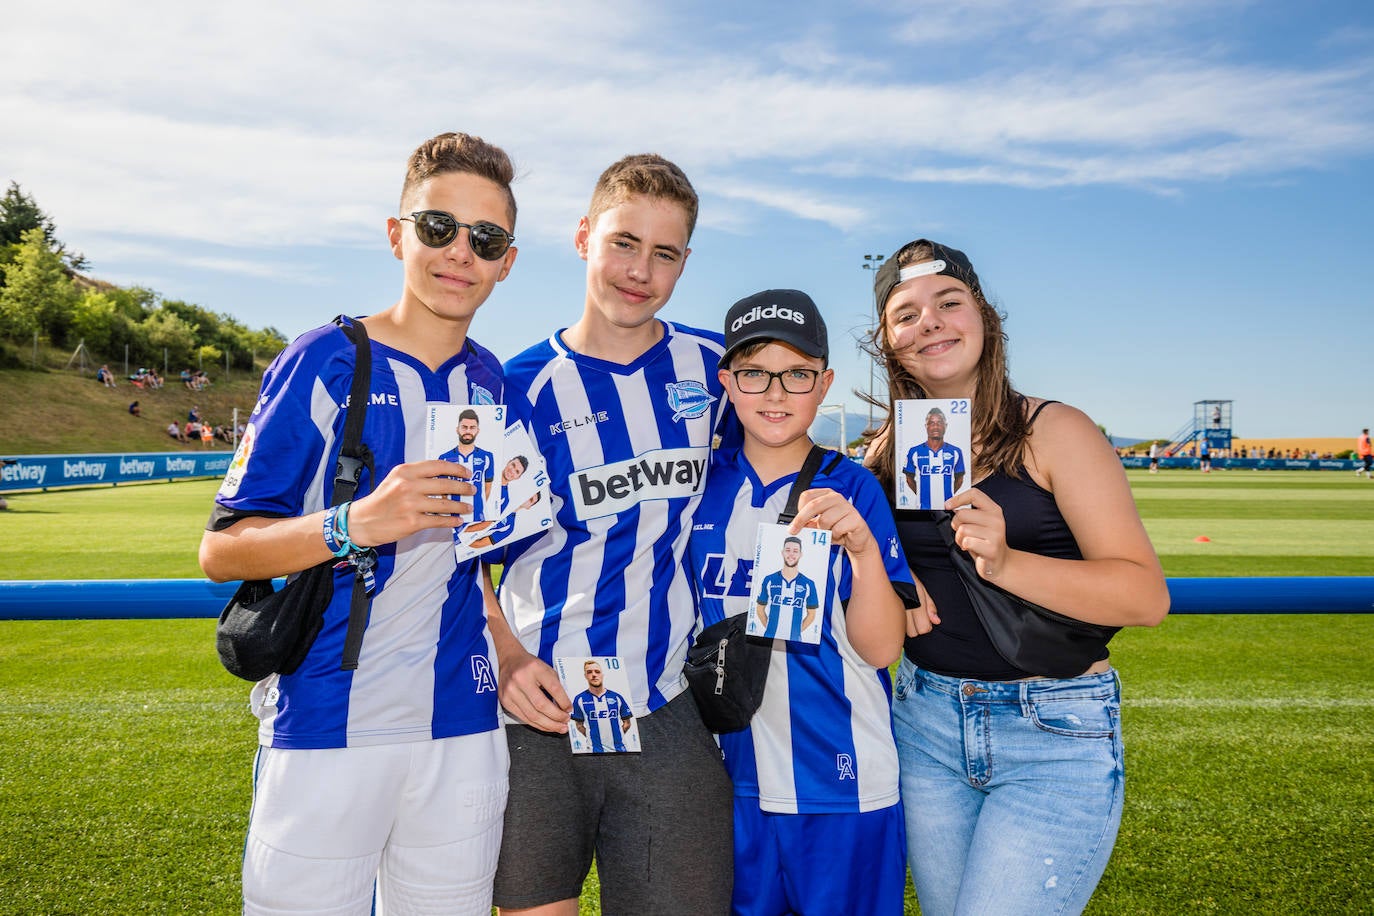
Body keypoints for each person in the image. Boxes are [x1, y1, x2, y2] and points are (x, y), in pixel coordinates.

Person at [197, 130, 520, 916]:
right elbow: (221, 551)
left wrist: (508, 650)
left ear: (506, 262)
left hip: (462, 725)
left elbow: (470, 559)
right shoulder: (325, 359)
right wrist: (355, 523)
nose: (460, 253)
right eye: (438, 227)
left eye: (485, 239)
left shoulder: (491, 380)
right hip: (325, 723)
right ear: (397, 234)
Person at [864, 239, 1169, 916]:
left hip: (1050, 728)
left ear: (985, 316)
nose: (930, 322)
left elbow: (1145, 597)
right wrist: (893, 576)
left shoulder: (1056, 431)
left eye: (949, 302)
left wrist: (1006, 562)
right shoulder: (886, 450)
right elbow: (875, 562)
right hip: (924, 723)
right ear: (889, 344)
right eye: (906, 314)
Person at [488, 153, 734, 915]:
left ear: (685, 262)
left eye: (665, 253)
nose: (640, 271)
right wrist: (507, 655)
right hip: (539, 709)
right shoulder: (515, 387)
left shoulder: (715, 369)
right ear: (583, 237)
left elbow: (786, 461)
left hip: (667, 702)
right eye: (624, 243)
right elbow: (461, 556)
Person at [689, 289, 920, 915]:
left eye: (796, 374)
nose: (775, 393)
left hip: (841, 780)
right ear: (727, 382)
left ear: (824, 383)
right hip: (729, 782)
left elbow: (881, 648)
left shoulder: (852, 486)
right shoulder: (699, 487)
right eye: (754, 373)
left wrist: (864, 552)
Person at [751, 535, 821, 641]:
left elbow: (811, 615)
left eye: (795, 551)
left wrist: (795, 632)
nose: (791, 554)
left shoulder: (808, 584)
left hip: (794, 642)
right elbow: (760, 609)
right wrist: (770, 629)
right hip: (769, 639)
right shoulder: (769, 580)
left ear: (800, 554)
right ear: (782, 552)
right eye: (788, 550)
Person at [903, 405, 966, 507]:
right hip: (923, 509)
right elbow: (909, 479)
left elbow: (959, 479)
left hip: (947, 509)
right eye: (931, 423)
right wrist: (921, 495)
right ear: (926, 426)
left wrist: (948, 495)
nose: (935, 427)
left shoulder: (956, 452)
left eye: (939, 423)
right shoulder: (914, 451)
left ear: (946, 425)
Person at [439, 409, 495, 520]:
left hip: (478, 518)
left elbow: (487, 489)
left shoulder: (487, 456)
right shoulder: (444, 458)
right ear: (457, 429)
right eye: (464, 427)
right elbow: (442, 491)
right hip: (453, 518)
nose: (468, 431)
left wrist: (477, 507)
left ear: (477, 430)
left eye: (472, 427)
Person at [569, 659, 634, 754]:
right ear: (585, 676)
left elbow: (627, 723)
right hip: (594, 750)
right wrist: (593, 739)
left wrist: (617, 737)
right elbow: (579, 726)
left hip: (619, 749)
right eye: (589, 672)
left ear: (602, 675)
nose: (594, 675)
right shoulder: (579, 699)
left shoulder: (616, 697)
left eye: (597, 671)